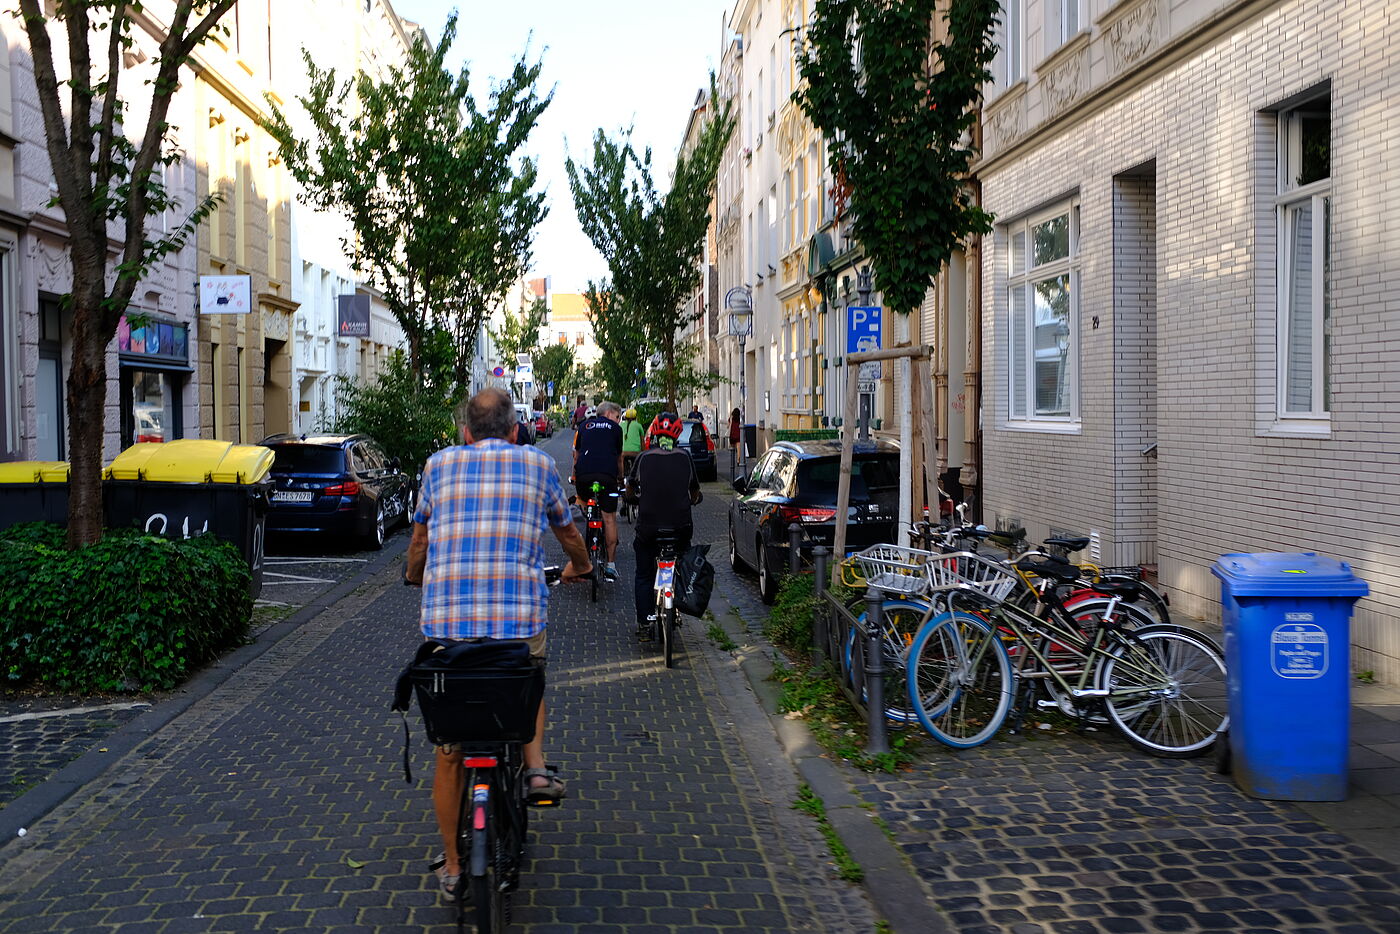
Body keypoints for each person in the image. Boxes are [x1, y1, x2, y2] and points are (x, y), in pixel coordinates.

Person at [404, 387, 591, 899]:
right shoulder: (536, 465)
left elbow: (419, 540)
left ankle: (452, 867)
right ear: (515, 431)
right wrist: (582, 566)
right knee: (530, 677)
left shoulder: (438, 466)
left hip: (448, 632)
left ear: (466, 432)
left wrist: (414, 574)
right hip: (516, 627)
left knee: (449, 752)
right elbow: (568, 531)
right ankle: (534, 771)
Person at [625, 412, 702, 639]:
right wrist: (694, 499)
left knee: (644, 574)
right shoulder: (685, 458)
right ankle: (679, 596)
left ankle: (644, 623)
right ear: (678, 434)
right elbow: (695, 491)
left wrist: (634, 500)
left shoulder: (644, 458)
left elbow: (630, 488)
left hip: (648, 528)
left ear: (654, 434)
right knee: (683, 558)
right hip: (680, 527)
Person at [572, 400, 625, 581]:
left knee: (582, 504)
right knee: (609, 518)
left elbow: (576, 455)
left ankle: (582, 551)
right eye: (617, 417)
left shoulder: (584, 426)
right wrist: (620, 478)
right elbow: (619, 458)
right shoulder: (616, 430)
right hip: (607, 478)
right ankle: (610, 566)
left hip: (584, 478)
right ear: (609, 414)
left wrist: (574, 476)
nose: (618, 420)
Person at [621, 407, 644, 478]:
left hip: (623, 453)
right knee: (636, 467)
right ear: (636, 417)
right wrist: (643, 452)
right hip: (636, 453)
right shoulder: (639, 426)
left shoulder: (621, 425)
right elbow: (642, 441)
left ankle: (622, 476)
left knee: (623, 463)